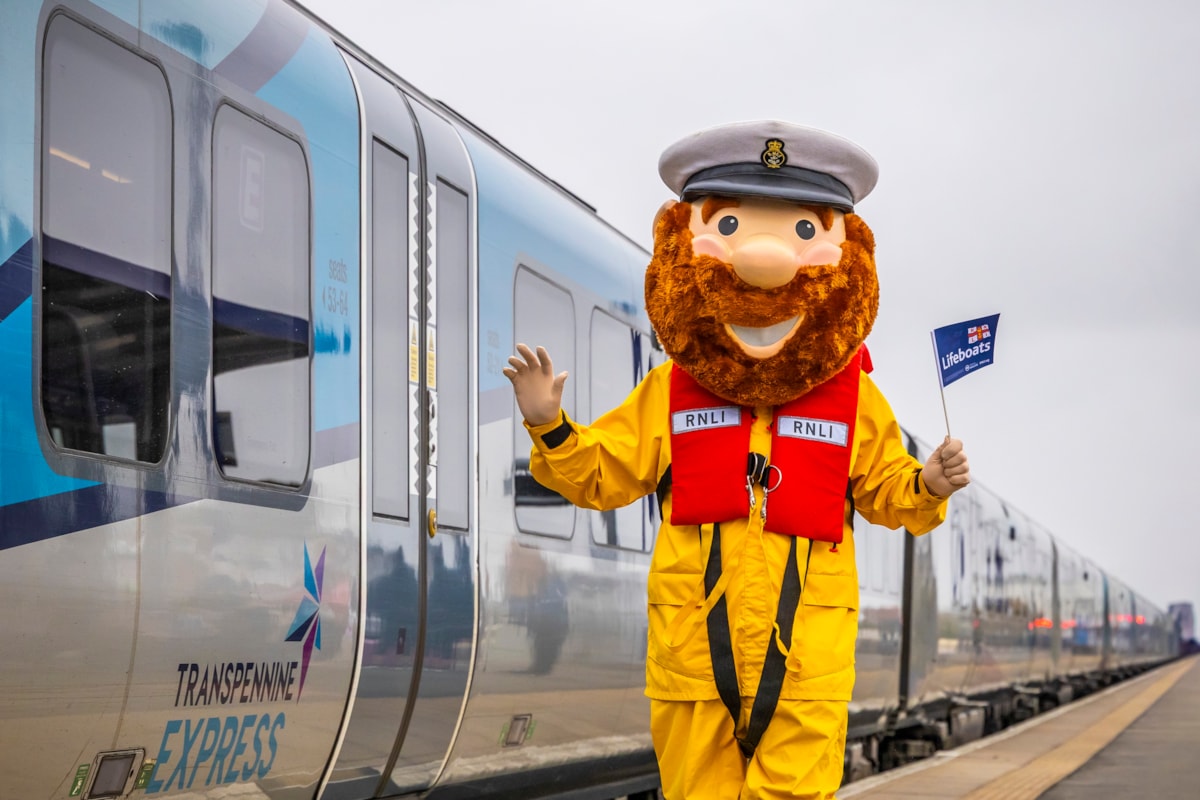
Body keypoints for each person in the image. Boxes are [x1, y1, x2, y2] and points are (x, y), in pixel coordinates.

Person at [504, 120, 970, 799]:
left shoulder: (856, 400)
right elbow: (603, 473)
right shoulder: (668, 392)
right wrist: (550, 426)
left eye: (804, 231)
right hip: (694, 667)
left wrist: (927, 482)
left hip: (806, 670)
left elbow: (888, 489)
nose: (765, 255)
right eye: (728, 224)